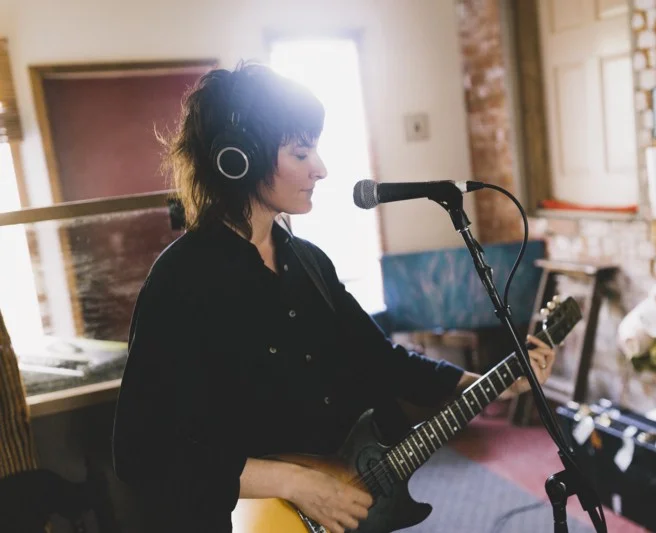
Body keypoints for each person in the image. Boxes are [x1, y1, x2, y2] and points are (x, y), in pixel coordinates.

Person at [111, 61, 557, 533]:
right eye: (301, 153)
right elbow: (141, 454)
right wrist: (296, 483)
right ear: (237, 158)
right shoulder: (182, 278)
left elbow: (380, 360)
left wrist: (490, 382)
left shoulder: (308, 262)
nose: (320, 169)